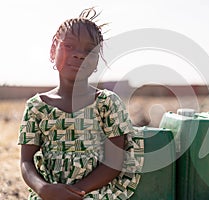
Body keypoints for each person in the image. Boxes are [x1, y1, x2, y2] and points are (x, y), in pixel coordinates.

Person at [18, 7, 144, 200]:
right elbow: (26, 162)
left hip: (95, 192)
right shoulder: (37, 107)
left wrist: (76, 193)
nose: (80, 55)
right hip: (50, 193)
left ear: (96, 63)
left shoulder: (106, 103)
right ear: (53, 50)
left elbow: (115, 161)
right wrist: (43, 189)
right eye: (69, 46)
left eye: (89, 50)